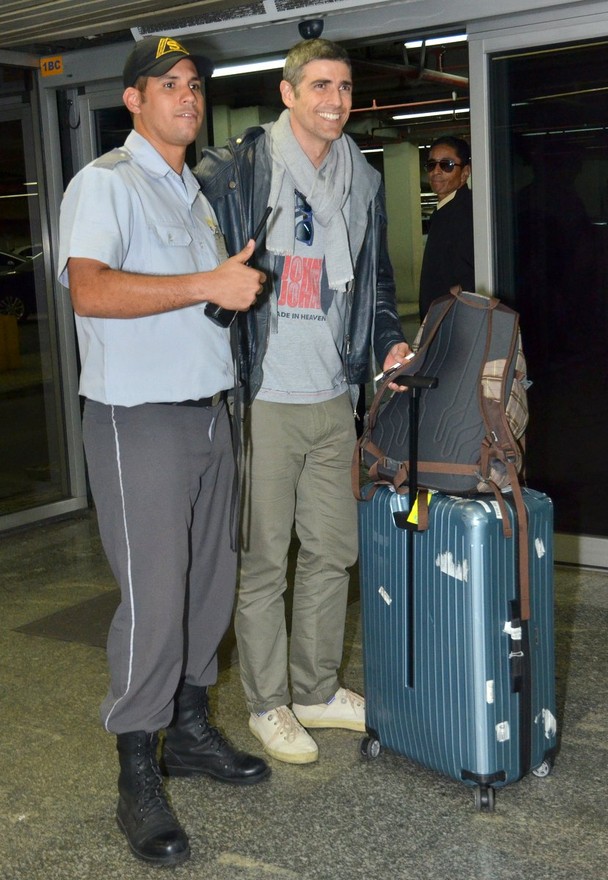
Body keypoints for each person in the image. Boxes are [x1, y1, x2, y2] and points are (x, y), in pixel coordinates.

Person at [57, 36, 271, 868]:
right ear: (134, 100)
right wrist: (205, 284)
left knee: (208, 586)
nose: (187, 96)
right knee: (152, 600)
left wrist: (223, 290)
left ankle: (187, 731)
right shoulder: (105, 183)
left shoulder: (193, 193)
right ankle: (136, 776)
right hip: (137, 421)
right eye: (168, 84)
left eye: (194, 84)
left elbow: (196, 298)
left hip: (208, 414)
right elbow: (90, 289)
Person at [195, 38, 410, 765]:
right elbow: (199, 266)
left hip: (334, 393)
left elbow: (373, 283)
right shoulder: (240, 167)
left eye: (345, 87)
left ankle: (316, 688)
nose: (335, 100)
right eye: (320, 85)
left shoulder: (363, 179)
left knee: (332, 551)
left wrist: (387, 344)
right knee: (264, 561)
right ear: (288, 95)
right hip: (265, 396)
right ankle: (268, 704)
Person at [418, 136, 475, 320]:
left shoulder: (467, 213)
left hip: (455, 322)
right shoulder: (444, 212)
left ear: (465, 173)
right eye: (431, 164)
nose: (436, 171)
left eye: (447, 165)